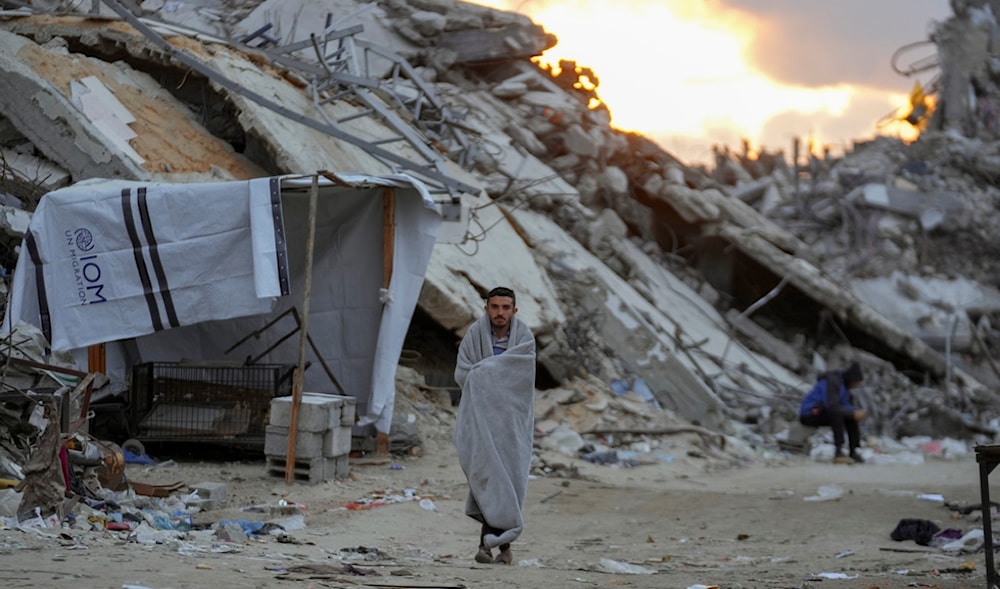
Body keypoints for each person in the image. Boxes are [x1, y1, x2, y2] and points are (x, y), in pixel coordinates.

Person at [453, 286, 536, 565]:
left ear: (514, 310)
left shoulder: (525, 339)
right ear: (486, 308)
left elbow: (521, 379)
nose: (499, 313)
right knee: (488, 480)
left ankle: (501, 546)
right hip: (481, 421)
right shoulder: (474, 336)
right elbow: (464, 374)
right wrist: (489, 374)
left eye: (505, 307)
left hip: (513, 424)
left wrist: (485, 372)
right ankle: (489, 547)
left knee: (510, 482)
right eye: (494, 307)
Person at [799, 362, 867, 464]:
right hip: (809, 413)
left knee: (850, 417)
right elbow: (832, 406)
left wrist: (855, 412)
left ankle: (853, 451)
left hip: (824, 413)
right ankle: (838, 451)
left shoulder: (844, 387)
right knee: (837, 414)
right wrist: (851, 412)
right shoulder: (832, 382)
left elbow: (845, 406)